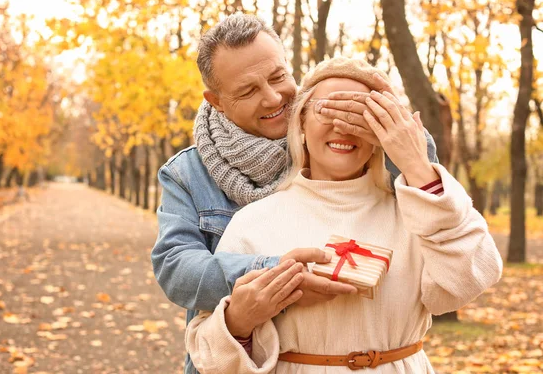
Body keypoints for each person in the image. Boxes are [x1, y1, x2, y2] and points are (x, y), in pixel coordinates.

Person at [151, 14, 439, 374]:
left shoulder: (332, 138)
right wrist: (281, 275)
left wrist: (388, 115)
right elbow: (178, 270)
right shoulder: (187, 173)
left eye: (277, 77)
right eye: (248, 90)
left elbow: (422, 177)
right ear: (217, 100)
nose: (274, 98)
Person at [184, 57, 503, 373]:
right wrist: (239, 320)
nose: (343, 126)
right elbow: (208, 357)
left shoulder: (417, 213)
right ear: (302, 122)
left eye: (360, 114)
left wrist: (417, 165)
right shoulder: (254, 222)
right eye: (327, 110)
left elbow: (469, 279)